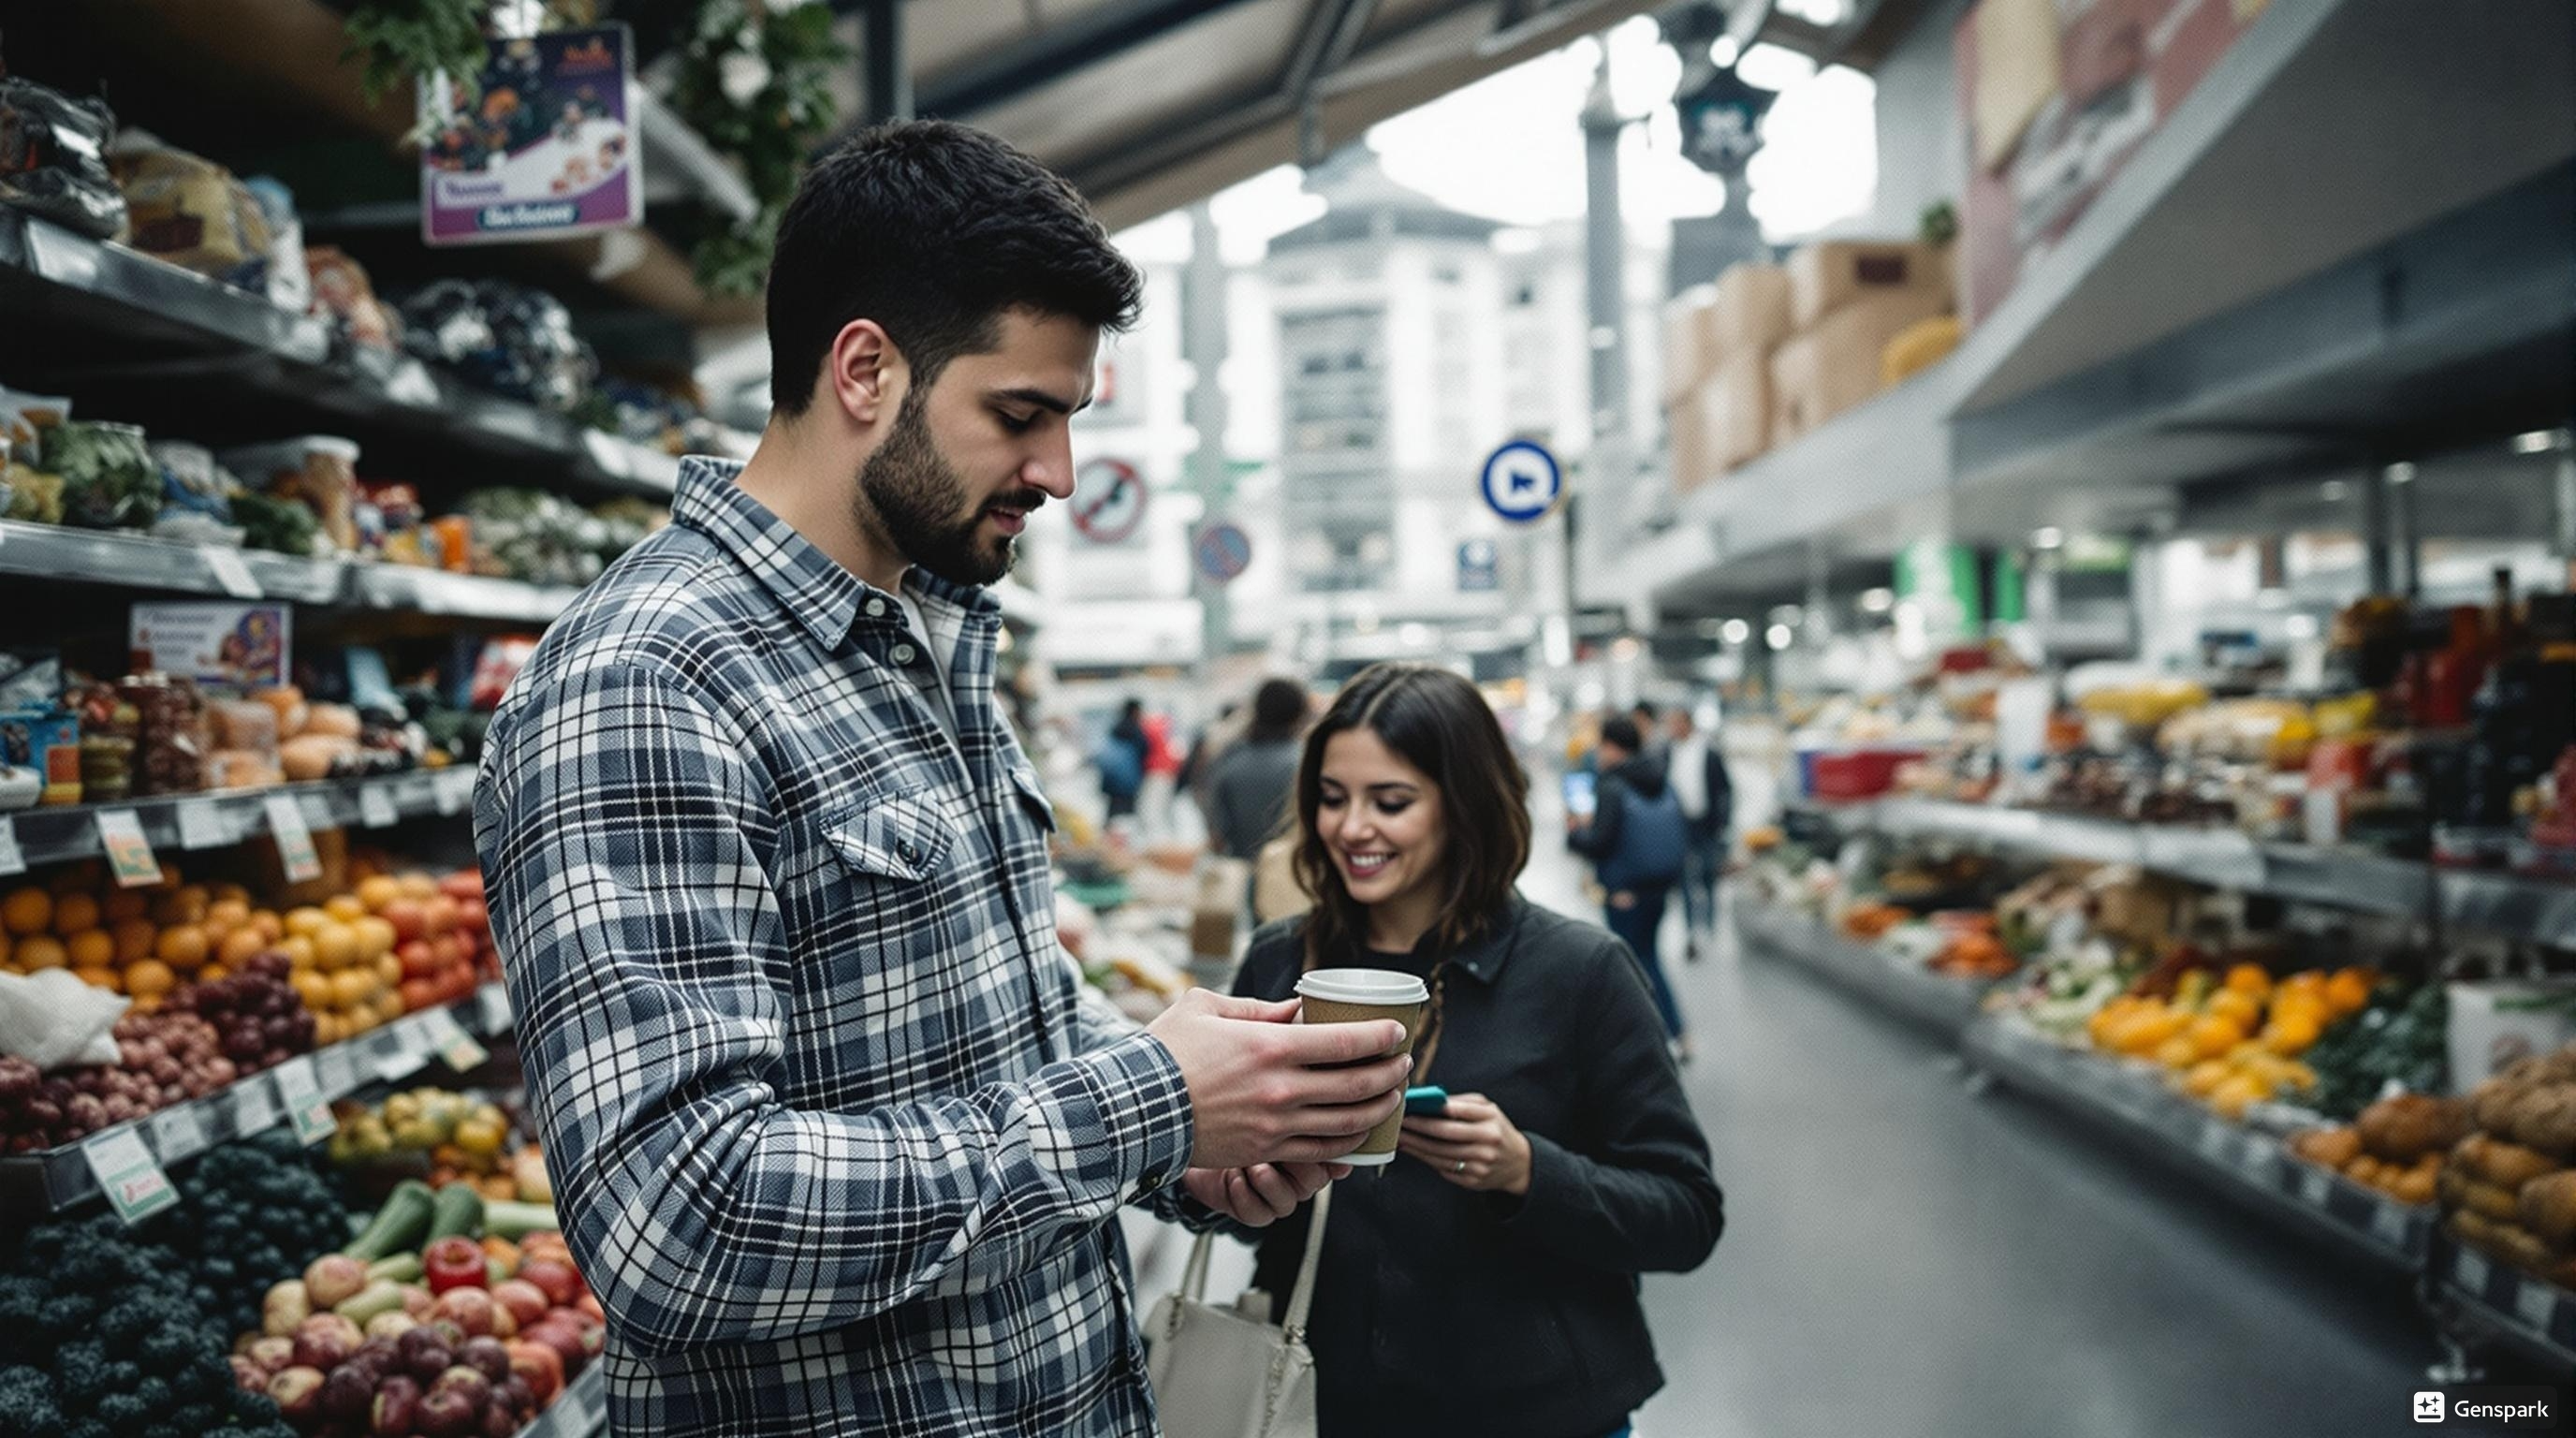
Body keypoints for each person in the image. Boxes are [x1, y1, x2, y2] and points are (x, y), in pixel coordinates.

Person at [474, 120, 1418, 1438]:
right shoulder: (645, 684)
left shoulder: (925, 636)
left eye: (1068, 420)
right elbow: (676, 1218)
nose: (1058, 474)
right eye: (1019, 415)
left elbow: (988, 1035)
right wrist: (1146, 1101)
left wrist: (1190, 1142)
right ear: (865, 369)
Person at [1228, 664, 1723, 1437]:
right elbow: (1235, 1208)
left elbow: (1686, 1214)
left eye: (1391, 802)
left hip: (1537, 1411)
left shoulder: (1578, 972)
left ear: (1464, 805)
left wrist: (1526, 1170)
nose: (1351, 827)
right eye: (1332, 797)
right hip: (1322, 1405)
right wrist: (1235, 1177)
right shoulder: (1281, 963)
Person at [1569, 716, 1691, 1056]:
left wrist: (1575, 833)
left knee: (1633, 966)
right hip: (1658, 888)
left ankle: (1657, 1039)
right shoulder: (1661, 779)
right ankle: (1676, 1033)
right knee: (1648, 957)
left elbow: (1600, 843)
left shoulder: (1612, 785)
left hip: (1624, 892)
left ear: (1611, 746)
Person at [1206, 677, 1308, 862]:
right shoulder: (1305, 762)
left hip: (1241, 869)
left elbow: (1216, 833)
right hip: (1291, 868)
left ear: (1257, 711)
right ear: (1299, 714)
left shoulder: (1231, 759)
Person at [1665, 703, 1734, 961]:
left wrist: (1722, 822)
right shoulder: (1668, 752)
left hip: (1706, 824)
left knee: (1708, 875)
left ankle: (1709, 927)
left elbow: (1724, 789)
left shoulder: (1708, 752)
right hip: (1679, 825)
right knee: (1685, 878)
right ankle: (1691, 931)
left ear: (1687, 723)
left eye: (1676, 722)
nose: (1672, 728)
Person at [1098, 697, 1148, 824]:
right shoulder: (1135, 730)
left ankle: (1110, 832)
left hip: (1112, 779)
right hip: (1129, 779)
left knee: (1113, 812)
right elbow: (1144, 749)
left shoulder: (1114, 728)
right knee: (1127, 816)